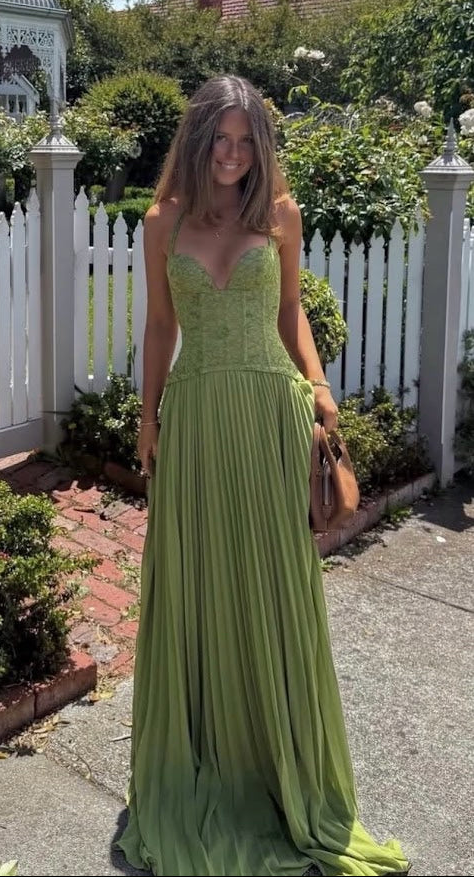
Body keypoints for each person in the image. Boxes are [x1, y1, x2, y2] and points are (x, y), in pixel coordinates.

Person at [115, 75, 410, 877]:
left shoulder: (279, 213)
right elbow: (160, 325)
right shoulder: (162, 221)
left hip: (269, 416)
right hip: (197, 421)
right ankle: (208, 760)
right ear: (196, 139)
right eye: (220, 139)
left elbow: (287, 311)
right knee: (200, 582)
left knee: (272, 587)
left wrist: (318, 384)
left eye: (246, 143)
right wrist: (147, 420)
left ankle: (281, 767)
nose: (232, 155)